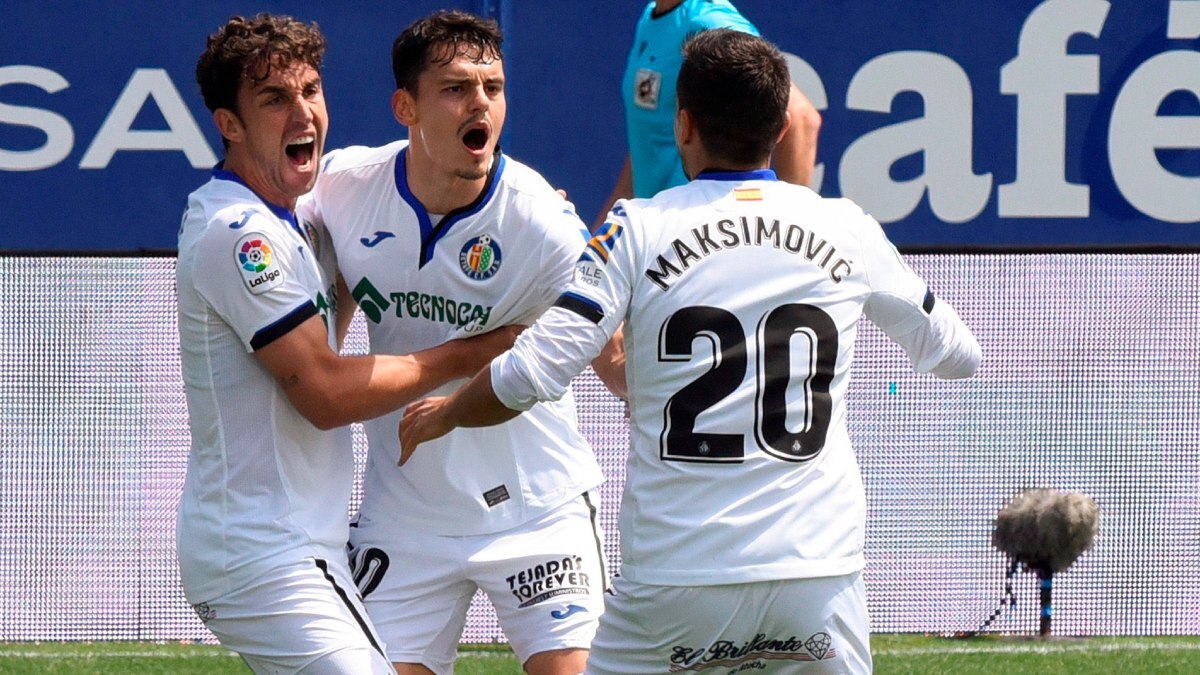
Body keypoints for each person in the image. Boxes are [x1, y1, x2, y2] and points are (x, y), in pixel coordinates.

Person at [400, 28, 982, 674]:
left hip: (677, 577)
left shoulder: (636, 228)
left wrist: (446, 414)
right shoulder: (845, 227)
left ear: (683, 126)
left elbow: (532, 372)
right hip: (817, 574)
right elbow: (959, 354)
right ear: (779, 130)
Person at [176, 13, 519, 674]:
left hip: (300, 542)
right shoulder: (239, 234)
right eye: (274, 99)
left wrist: (510, 216)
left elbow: (375, 243)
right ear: (229, 124)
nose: (302, 112)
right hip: (262, 550)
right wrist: (480, 347)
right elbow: (327, 395)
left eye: (310, 90)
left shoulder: (297, 215)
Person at [296, 11, 609, 675]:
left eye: (493, 87)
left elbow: (612, 349)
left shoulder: (541, 221)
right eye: (457, 88)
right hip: (406, 511)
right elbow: (320, 295)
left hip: (537, 512)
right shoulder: (343, 190)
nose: (482, 104)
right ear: (404, 106)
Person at [594, 0, 821, 228]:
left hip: (698, 239)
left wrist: (789, 230)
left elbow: (802, 118)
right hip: (654, 237)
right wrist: (602, 233)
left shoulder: (712, 21)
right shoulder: (651, 15)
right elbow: (648, 142)